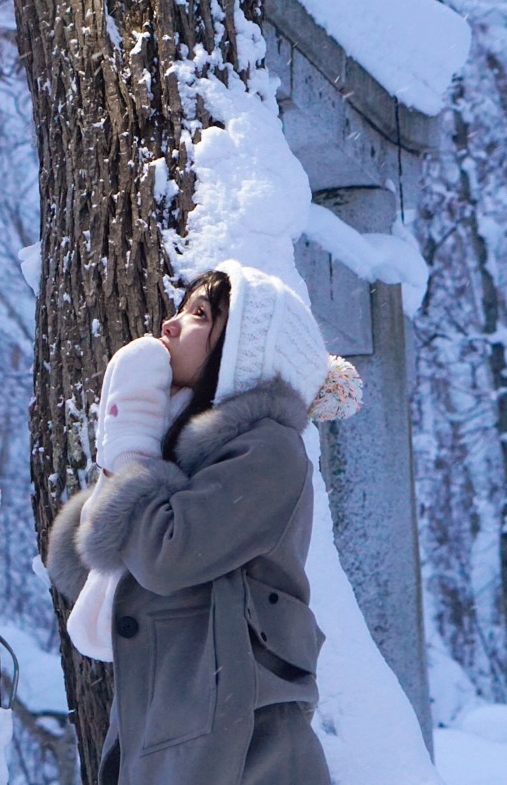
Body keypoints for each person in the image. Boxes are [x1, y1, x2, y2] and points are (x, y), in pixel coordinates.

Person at [45, 260, 358, 785]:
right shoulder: (194, 460)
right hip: (181, 739)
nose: (168, 325)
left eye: (198, 314)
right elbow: (91, 583)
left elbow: (166, 556)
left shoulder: (270, 450)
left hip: (243, 751)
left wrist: (133, 442)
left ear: (243, 350)